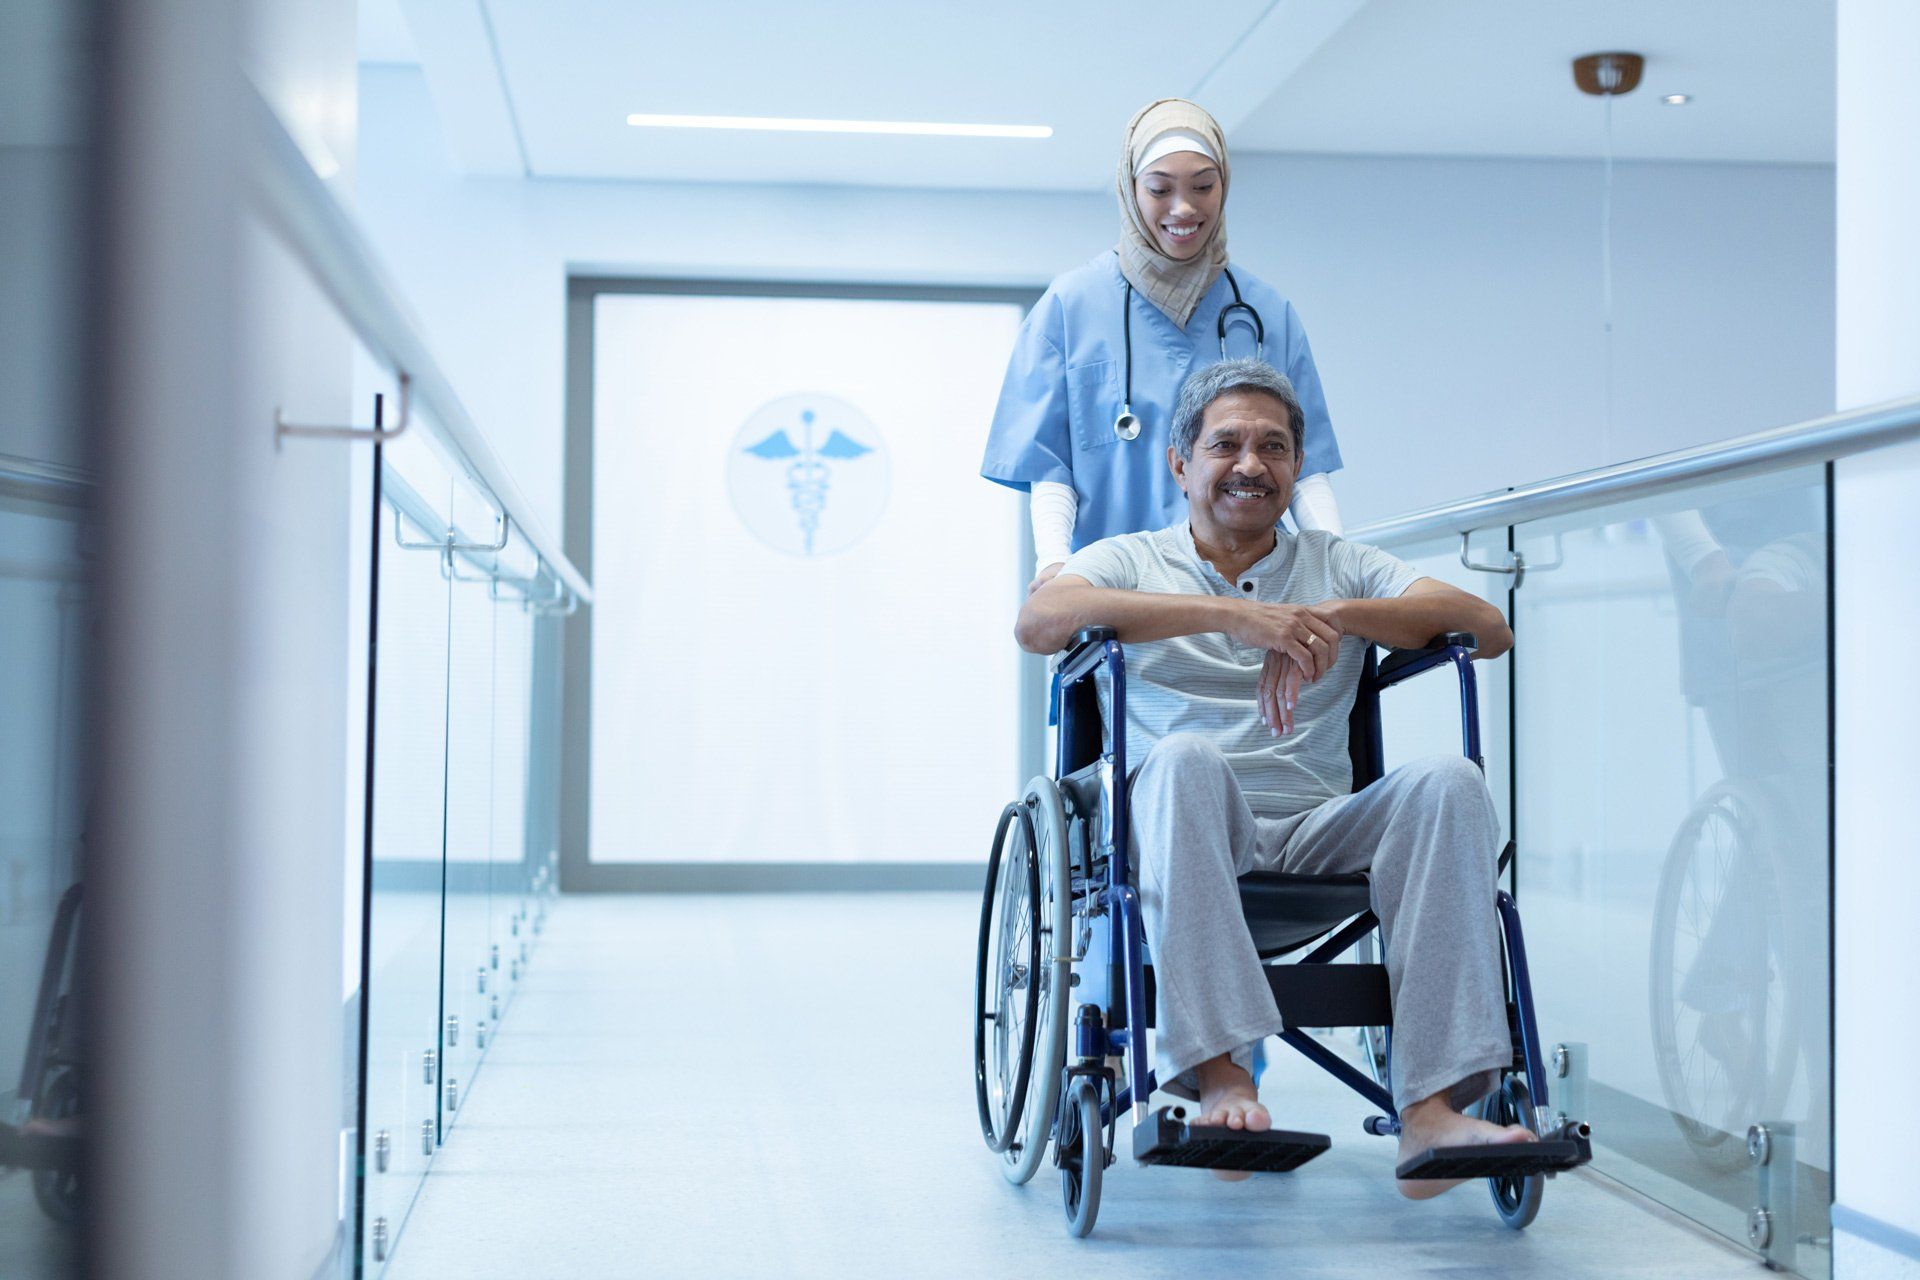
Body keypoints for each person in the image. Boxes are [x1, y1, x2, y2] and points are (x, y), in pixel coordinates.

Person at [1014, 359, 1533, 1196]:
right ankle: (1222, 1075)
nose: (1251, 464)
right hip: (1182, 826)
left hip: (1314, 828)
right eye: (1226, 445)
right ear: (1180, 464)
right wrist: (1235, 614)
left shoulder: (1337, 563)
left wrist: (1334, 616)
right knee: (1185, 756)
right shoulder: (1129, 558)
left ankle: (1431, 1114)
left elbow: (1486, 626)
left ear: (1295, 467)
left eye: (1275, 447)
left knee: (1449, 781)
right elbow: (1039, 622)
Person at [983, 98, 1346, 596]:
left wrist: (1333, 556)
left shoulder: (1266, 310)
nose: (1184, 208)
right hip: (1117, 590)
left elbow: (1305, 463)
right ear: (1131, 191)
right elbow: (1050, 464)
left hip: (1246, 586)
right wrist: (1057, 564)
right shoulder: (1071, 306)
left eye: (1203, 186)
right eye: (1160, 188)